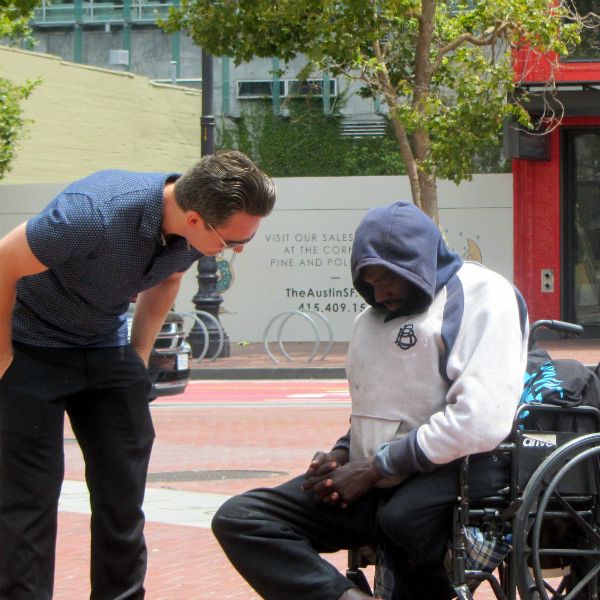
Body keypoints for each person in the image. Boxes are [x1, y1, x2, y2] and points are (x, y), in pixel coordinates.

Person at [212, 201, 528, 600]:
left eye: (389, 280)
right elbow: (383, 405)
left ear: (418, 263)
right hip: (379, 472)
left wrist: (375, 467)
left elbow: (480, 421)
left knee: (402, 519)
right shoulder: (373, 317)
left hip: (462, 466)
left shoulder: (485, 296)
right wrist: (342, 454)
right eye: (370, 284)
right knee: (243, 518)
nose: (381, 294)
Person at [0, 150, 276, 600]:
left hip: (104, 346)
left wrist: (138, 355)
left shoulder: (189, 235)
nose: (237, 250)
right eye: (231, 242)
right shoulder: (92, 214)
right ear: (194, 219)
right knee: (29, 499)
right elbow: (4, 261)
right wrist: (2, 356)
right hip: (32, 347)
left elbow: (166, 278)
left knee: (122, 497)